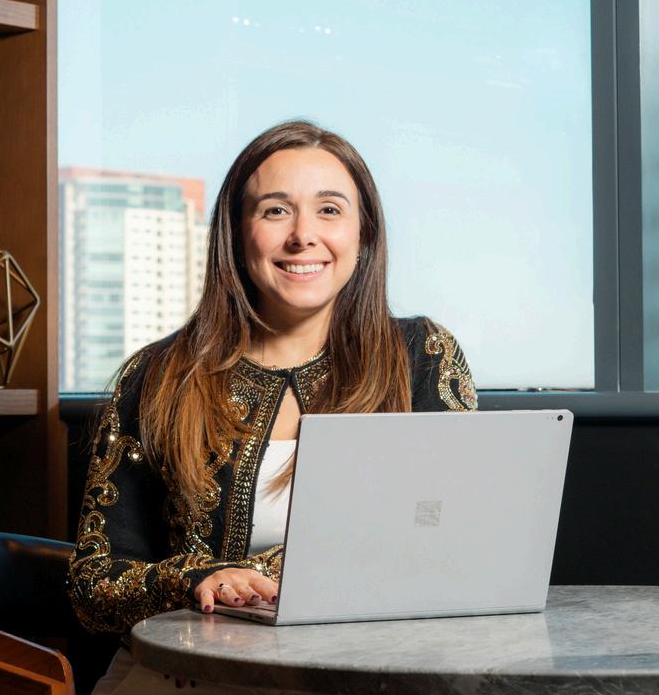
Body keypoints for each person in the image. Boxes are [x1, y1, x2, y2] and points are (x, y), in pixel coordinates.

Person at [67, 120, 478, 693]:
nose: (303, 236)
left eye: (330, 210)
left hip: (369, 673)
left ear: (364, 233)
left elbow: (463, 545)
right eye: (276, 211)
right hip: (188, 675)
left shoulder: (422, 357)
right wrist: (197, 579)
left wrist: (268, 573)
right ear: (236, 234)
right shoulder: (157, 377)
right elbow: (92, 588)